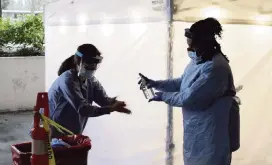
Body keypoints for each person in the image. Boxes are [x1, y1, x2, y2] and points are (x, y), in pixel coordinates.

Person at [139, 18, 237, 165]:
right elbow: (182, 82)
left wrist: (163, 96)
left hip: (211, 136)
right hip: (196, 133)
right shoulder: (199, 60)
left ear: (203, 42)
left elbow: (190, 97)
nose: (189, 48)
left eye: (192, 44)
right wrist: (154, 84)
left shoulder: (216, 67)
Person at [48, 44, 131, 138]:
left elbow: (103, 100)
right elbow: (83, 109)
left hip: (71, 134)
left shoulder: (91, 80)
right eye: (90, 63)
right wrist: (111, 108)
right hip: (51, 131)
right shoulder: (67, 80)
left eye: (95, 63)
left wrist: (116, 103)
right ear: (78, 61)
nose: (93, 66)